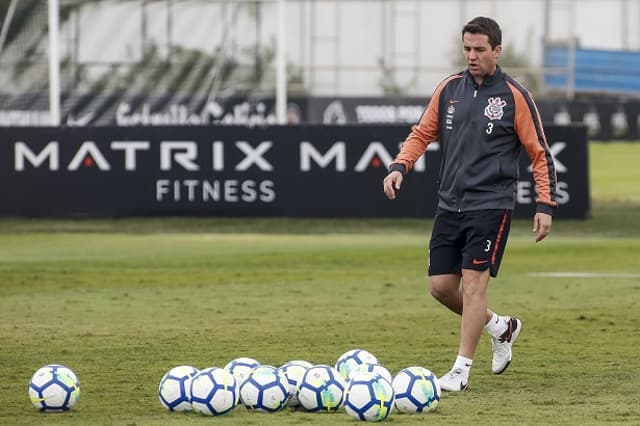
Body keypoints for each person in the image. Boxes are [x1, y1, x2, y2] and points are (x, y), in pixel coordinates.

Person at [382, 16, 557, 392]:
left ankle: (460, 371)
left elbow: (539, 153)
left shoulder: (514, 95)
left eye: (479, 49)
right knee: (441, 286)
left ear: (497, 50)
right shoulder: (449, 89)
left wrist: (545, 203)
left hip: (491, 204)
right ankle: (501, 327)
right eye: (467, 49)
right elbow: (422, 132)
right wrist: (400, 165)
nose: (472, 56)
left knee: (475, 286)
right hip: (450, 203)